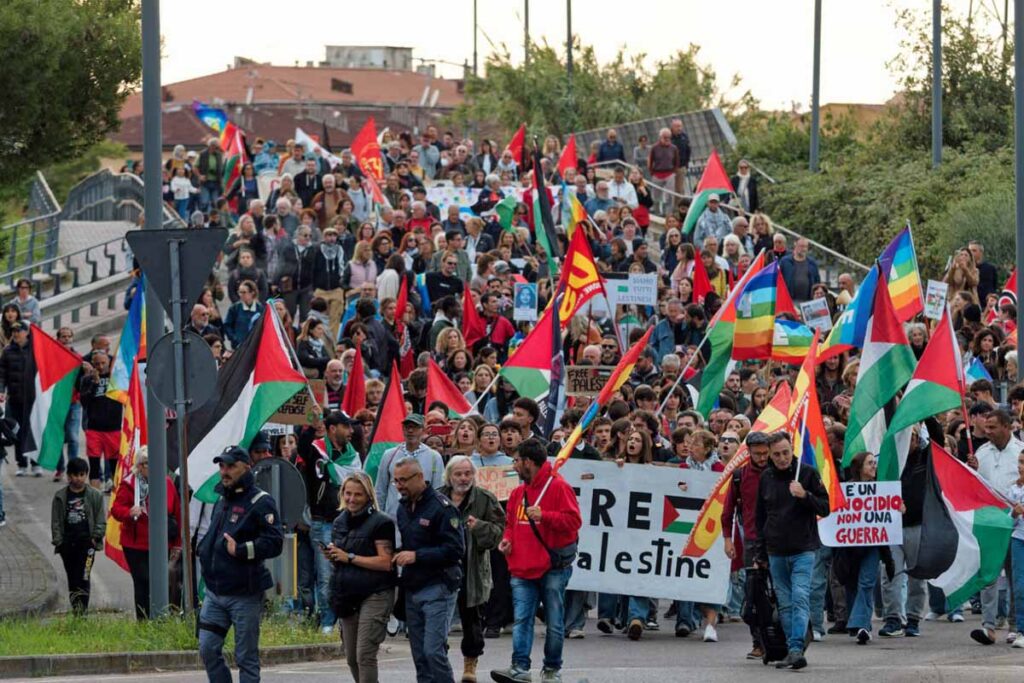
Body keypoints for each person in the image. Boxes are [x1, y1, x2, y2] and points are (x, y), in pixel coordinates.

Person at [491, 438, 582, 683]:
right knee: (522, 619)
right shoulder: (518, 492)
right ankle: (520, 667)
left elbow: (574, 522)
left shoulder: (559, 487)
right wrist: (507, 540)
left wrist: (546, 516)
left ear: (528, 462)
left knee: (553, 622)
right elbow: (510, 524)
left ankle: (552, 669)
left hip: (552, 568)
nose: (514, 465)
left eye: (517, 460)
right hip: (521, 567)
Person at [197, 445, 284, 683]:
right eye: (221, 466)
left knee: (246, 657)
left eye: (231, 466)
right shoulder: (221, 499)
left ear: (247, 467)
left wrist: (242, 550)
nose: (224, 471)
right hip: (215, 593)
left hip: (245, 595)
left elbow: (275, 543)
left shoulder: (261, 501)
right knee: (207, 648)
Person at [754, 432, 830, 670]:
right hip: (776, 550)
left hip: (803, 549)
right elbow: (760, 518)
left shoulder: (807, 473)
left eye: (785, 452)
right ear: (770, 455)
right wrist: (760, 553)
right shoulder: (766, 478)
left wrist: (805, 495)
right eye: (776, 454)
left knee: (799, 596)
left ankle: (797, 647)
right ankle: (791, 648)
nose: (782, 458)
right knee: (785, 603)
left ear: (792, 449)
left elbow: (826, 507)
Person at [393, 457, 466, 683]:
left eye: (403, 480)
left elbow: (455, 550)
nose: (399, 485)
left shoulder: (442, 508)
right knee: (420, 656)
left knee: (433, 651)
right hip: (413, 588)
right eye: (395, 481)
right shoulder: (403, 507)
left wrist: (417, 556)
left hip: (438, 586)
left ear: (420, 477)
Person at [438, 456, 506, 683]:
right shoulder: (437, 498)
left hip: (473, 569)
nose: (463, 478)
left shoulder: (485, 499)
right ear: (449, 476)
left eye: (468, 473)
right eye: (458, 474)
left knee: (472, 622)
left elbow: (499, 532)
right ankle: (441, 663)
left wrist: (480, 527)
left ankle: (470, 665)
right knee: (439, 620)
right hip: (442, 569)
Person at [326, 472, 397, 683]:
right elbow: (341, 557)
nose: (352, 499)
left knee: (364, 654)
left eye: (358, 495)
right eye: (348, 494)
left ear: (368, 496)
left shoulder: (381, 522)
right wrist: (334, 556)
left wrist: (349, 557)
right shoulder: (339, 521)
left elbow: (385, 562)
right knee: (351, 657)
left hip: (376, 592)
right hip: (348, 594)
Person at [299, 410, 362, 634]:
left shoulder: (352, 456)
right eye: (346, 426)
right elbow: (300, 450)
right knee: (324, 576)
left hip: (346, 523)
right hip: (322, 522)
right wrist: (311, 425)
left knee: (341, 574)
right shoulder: (316, 449)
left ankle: (338, 618)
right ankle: (327, 621)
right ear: (333, 428)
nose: (351, 431)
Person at [968, 409, 1024, 646]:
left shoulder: (1020, 451)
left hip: (1015, 526)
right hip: (990, 524)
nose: (987, 431)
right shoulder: (981, 453)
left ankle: (1014, 626)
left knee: (1015, 578)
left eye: (992, 427)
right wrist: (971, 468)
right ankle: (988, 626)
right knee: (989, 576)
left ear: (1007, 427)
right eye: (986, 427)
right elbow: (975, 487)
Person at [110, 448, 182, 620]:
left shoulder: (167, 483)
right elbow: (116, 510)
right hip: (135, 545)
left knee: (161, 582)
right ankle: (143, 621)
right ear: (140, 466)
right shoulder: (129, 484)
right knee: (143, 582)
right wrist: (129, 512)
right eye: (150, 464)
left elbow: (177, 513)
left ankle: (161, 619)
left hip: (161, 543)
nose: (155, 467)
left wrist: (178, 543)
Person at [721, 431, 770, 657]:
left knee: (780, 592)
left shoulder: (778, 472)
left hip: (778, 540)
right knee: (754, 593)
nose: (762, 457)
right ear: (748, 452)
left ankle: (781, 638)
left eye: (765, 453)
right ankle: (757, 642)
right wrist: (728, 540)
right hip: (751, 541)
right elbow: (728, 510)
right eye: (757, 453)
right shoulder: (740, 476)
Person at [50, 457, 105, 614]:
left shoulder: (95, 496)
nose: (78, 478)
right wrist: (59, 541)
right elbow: (56, 521)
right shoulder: (60, 496)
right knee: (73, 579)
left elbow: (101, 519)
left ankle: (83, 612)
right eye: (75, 475)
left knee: (84, 577)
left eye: (82, 474)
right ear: (68, 476)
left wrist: (95, 538)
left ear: (86, 475)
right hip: (68, 545)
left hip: (88, 547)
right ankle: (76, 610)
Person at [375, 414, 445, 520]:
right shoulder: (389, 455)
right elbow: (380, 490)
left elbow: (438, 491)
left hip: (422, 521)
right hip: (392, 520)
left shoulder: (434, 457)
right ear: (403, 429)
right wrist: (378, 517)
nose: (411, 431)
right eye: (407, 427)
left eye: (415, 427)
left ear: (423, 430)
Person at [0, 322, 38, 476]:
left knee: (33, 430)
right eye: (14, 331)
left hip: (34, 399)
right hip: (15, 398)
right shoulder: (7, 351)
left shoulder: (36, 350)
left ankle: (36, 463)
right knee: (18, 431)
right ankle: (21, 464)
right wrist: (1, 390)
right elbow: (1, 374)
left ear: (26, 332)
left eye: (19, 330)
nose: (16, 334)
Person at [778, 238, 821, 304]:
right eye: (801, 246)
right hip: (789, 301)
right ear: (795, 246)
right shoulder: (785, 262)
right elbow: (778, 279)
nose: (804, 249)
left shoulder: (812, 263)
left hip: (808, 301)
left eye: (805, 247)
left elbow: (817, 282)